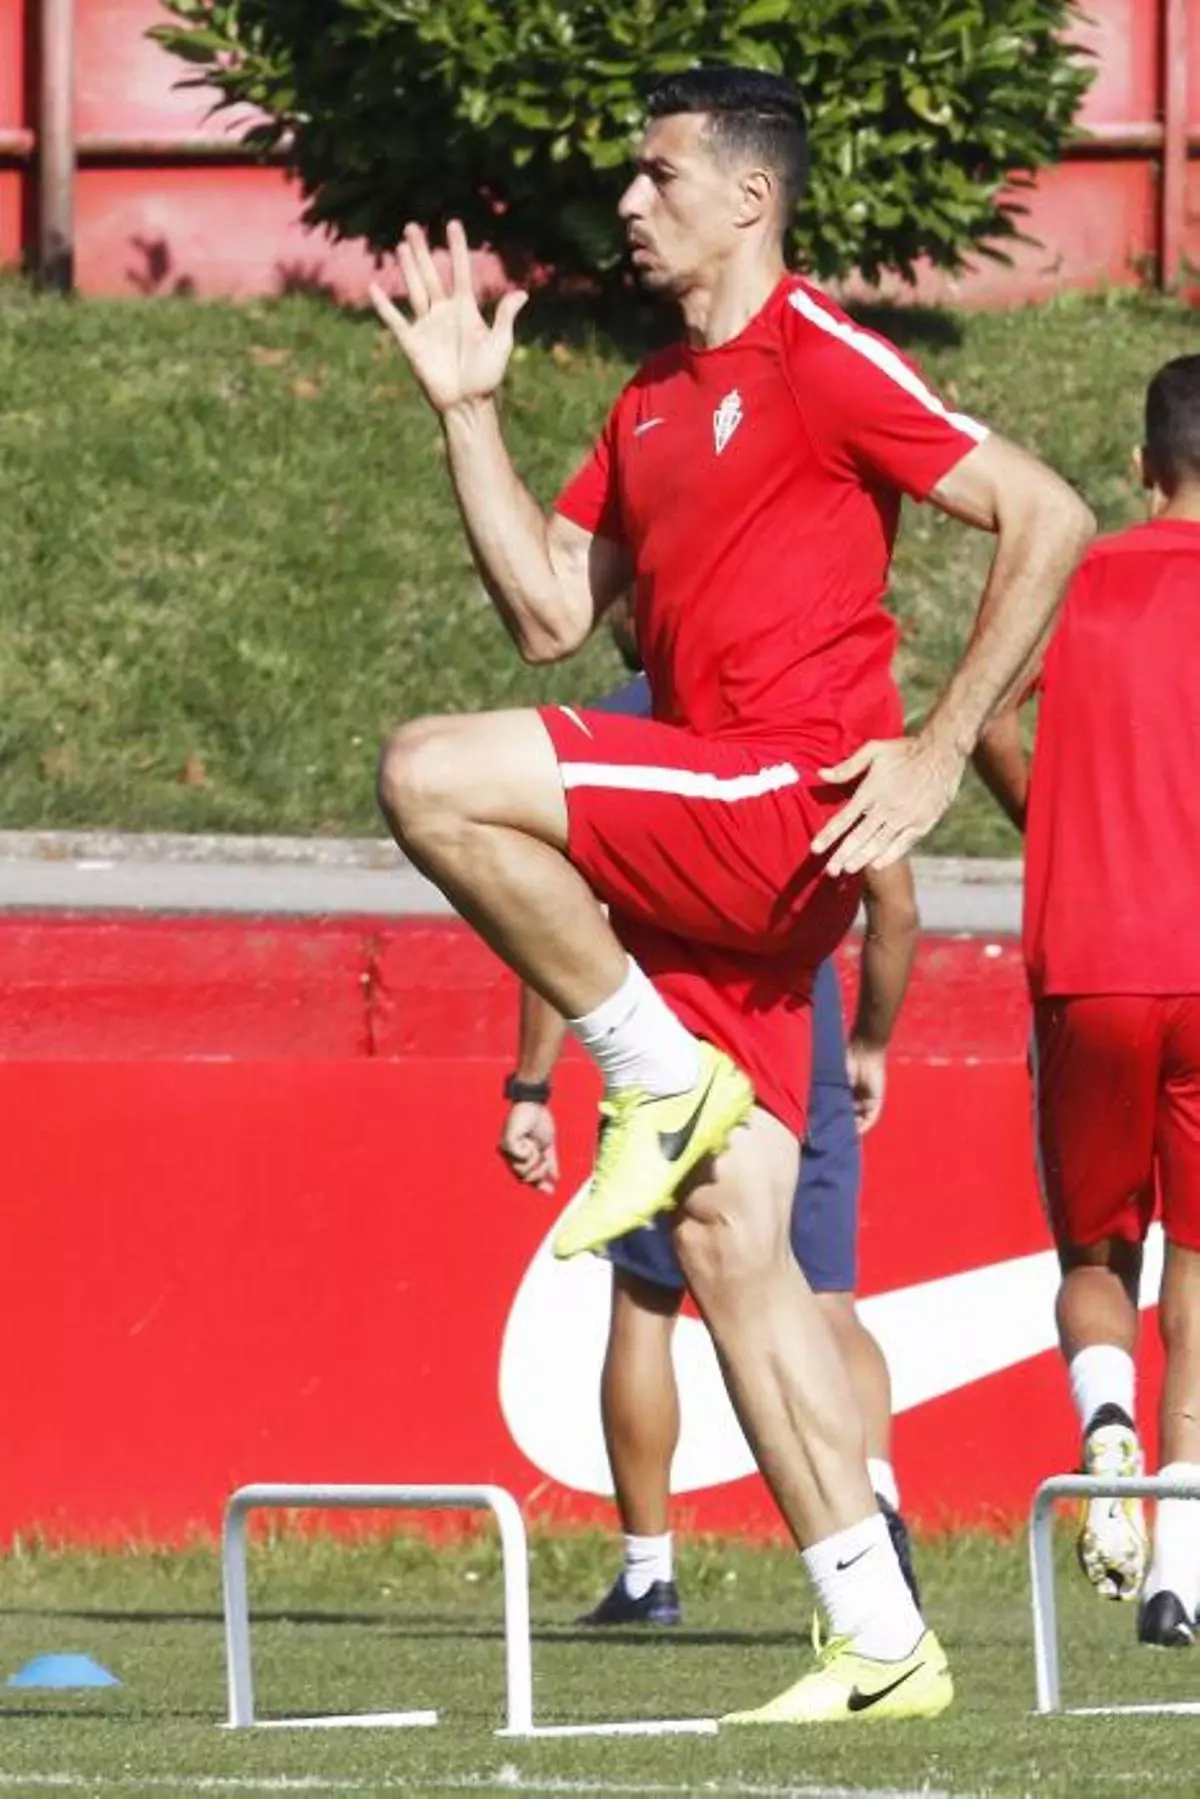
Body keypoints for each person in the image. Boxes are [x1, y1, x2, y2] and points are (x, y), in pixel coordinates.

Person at [369, 64, 1093, 1722]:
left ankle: (650, 1065)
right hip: (714, 842)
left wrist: (939, 749)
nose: (631, 201)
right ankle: (879, 1633)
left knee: (427, 771)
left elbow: (1046, 513)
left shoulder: (819, 354)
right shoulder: (645, 401)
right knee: (728, 1239)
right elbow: (551, 613)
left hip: (779, 802)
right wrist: (467, 415)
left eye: (661, 174)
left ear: (752, 198)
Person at [501, 665, 921, 1627]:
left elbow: (557, 919)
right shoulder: (813, 709)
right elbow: (894, 907)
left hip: (678, 1045)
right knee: (827, 1300)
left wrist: (531, 1084)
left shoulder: (613, 723)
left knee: (647, 1304)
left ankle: (648, 1571)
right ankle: (878, 1507)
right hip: (803, 1037)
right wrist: (870, 1042)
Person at [974, 353, 1200, 1651]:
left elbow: (985, 719)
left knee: (1097, 1257)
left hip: (1092, 962)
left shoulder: (1077, 576)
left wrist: (1061, 828)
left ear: (1140, 464)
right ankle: (1182, 1568)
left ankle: (1104, 1421)